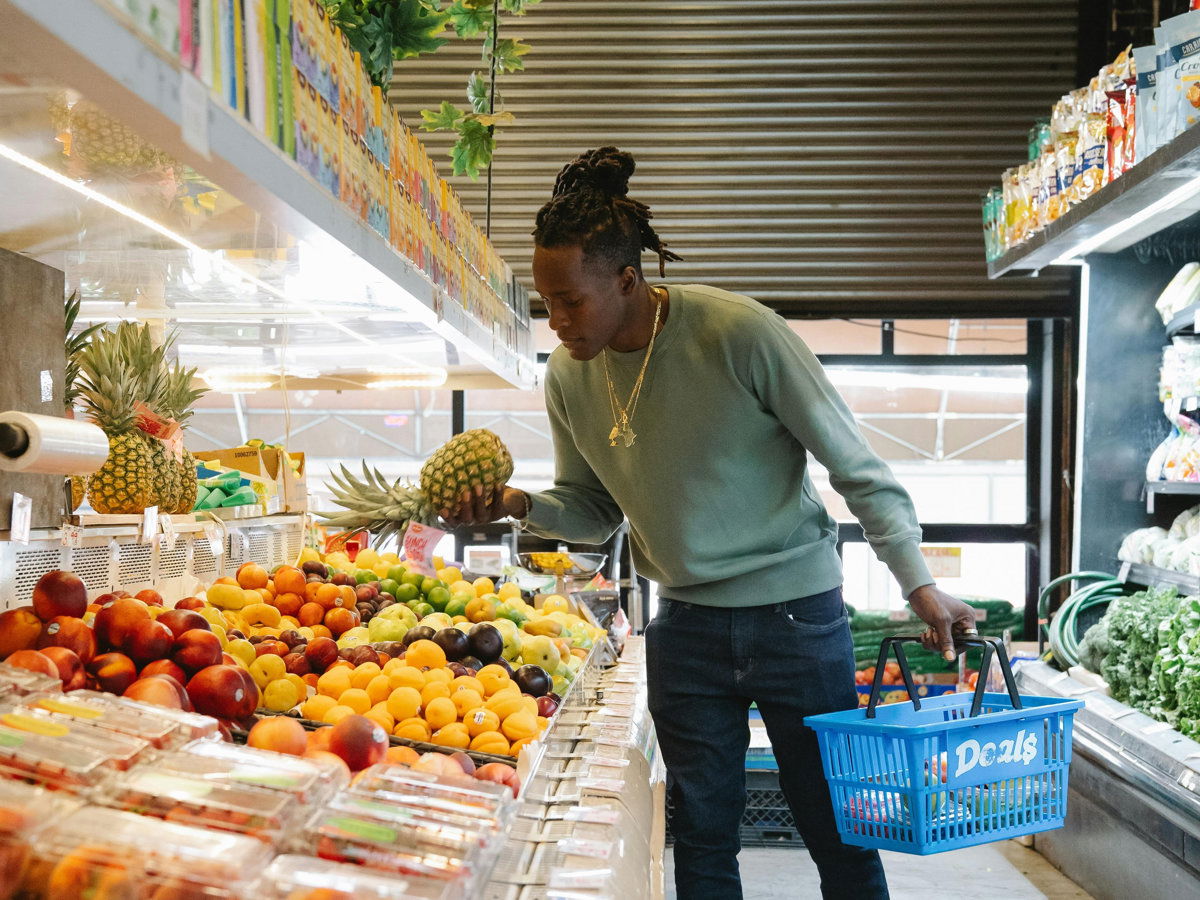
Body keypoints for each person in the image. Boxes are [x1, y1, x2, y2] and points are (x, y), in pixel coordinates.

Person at [442, 147, 979, 900]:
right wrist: (515, 507)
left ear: (628, 280)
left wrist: (918, 583)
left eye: (571, 300)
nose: (556, 321)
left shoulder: (740, 334)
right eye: (545, 302)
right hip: (686, 625)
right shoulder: (569, 373)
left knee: (839, 830)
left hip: (795, 617)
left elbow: (858, 469)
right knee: (698, 838)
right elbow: (592, 510)